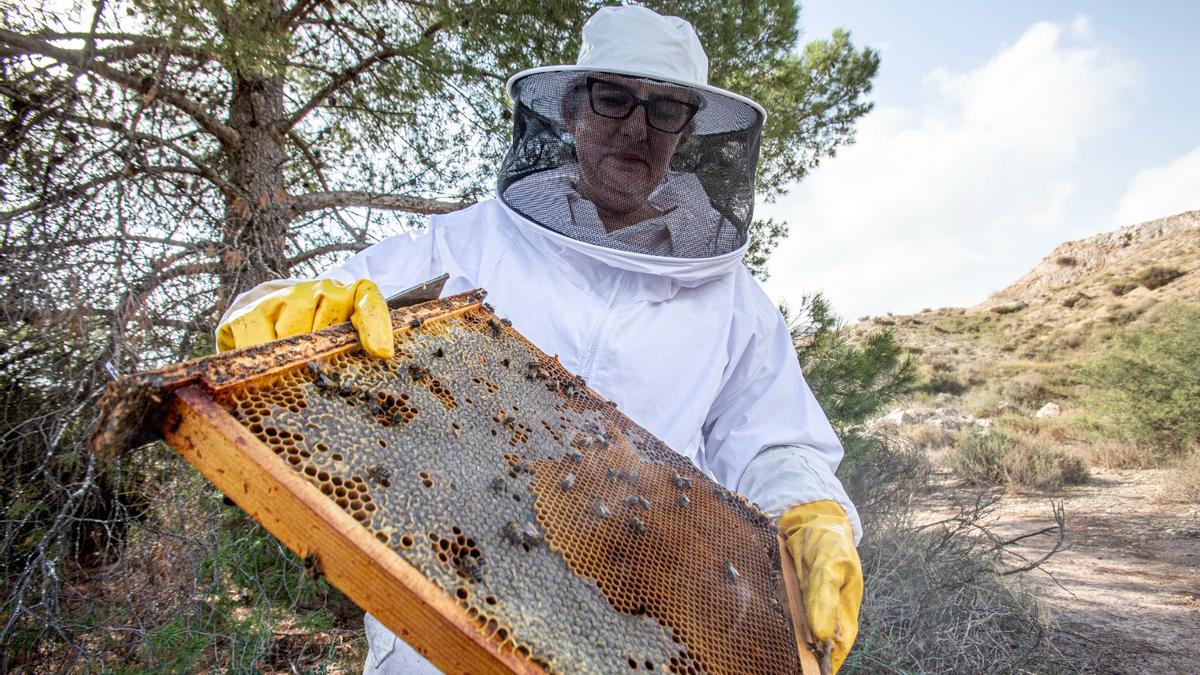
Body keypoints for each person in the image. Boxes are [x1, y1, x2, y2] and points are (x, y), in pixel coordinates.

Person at [217, 6, 863, 673]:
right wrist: (280, 314)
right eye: (614, 98)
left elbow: (775, 440)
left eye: (666, 110)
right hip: (439, 625)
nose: (637, 128)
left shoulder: (733, 302)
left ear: (689, 131)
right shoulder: (464, 242)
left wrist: (811, 511)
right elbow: (306, 308)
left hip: (638, 637)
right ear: (573, 109)